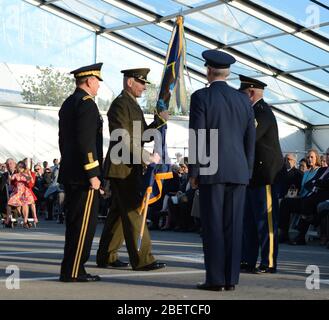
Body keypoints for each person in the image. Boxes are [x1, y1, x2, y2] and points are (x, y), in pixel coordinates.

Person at [189, 50, 256, 291]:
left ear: (208, 70)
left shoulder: (201, 97)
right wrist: (247, 171)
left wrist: (194, 171)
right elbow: (251, 140)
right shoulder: (244, 100)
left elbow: (197, 135)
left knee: (213, 226)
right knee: (234, 226)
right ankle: (230, 279)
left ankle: (215, 279)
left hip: (211, 169)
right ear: (228, 73)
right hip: (238, 172)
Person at [97, 68, 168, 271]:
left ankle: (107, 256)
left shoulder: (132, 105)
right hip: (122, 167)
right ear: (130, 82)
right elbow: (122, 138)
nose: (144, 87)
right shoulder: (121, 104)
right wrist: (147, 157)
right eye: (141, 83)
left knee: (119, 214)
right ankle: (143, 258)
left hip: (129, 166)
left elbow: (142, 135)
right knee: (134, 211)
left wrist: (159, 122)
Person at [58, 62, 104, 282]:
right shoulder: (87, 105)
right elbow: (87, 142)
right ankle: (74, 270)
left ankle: (72, 268)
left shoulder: (69, 103)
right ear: (89, 81)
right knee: (83, 225)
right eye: (97, 82)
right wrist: (92, 173)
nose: (98, 86)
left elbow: (63, 141)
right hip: (83, 176)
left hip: (71, 172)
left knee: (75, 223)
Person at [239, 75, 283, 274]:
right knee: (249, 221)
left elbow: (250, 137)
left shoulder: (261, 112)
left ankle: (269, 262)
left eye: (243, 93)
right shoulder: (252, 111)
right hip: (252, 175)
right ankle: (248, 259)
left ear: (251, 93)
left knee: (266, 221)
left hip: (265, 175)